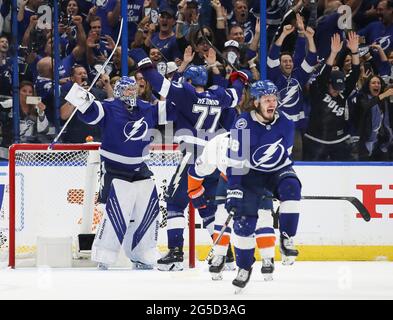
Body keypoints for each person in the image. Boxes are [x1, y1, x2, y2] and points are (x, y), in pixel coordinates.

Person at [130, 47, 247, 271]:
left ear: (190, 81)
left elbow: (156, 81)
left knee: (175, 202)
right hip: (215, 158)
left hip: (194, 154)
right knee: (209, 209)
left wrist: (141, 59)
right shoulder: (219, 95)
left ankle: (175, 254)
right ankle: (227, 257)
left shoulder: (186, 93)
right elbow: (236, 93)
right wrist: (238, 77)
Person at [64, 76, 171, 270]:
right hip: (114, 168)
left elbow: (172, 110)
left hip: (140, 168)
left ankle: (144, 254)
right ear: (119, 91)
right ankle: (104, 256)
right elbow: (89, 112)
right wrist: (79, 95)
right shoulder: (108, 107)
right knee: (114, 214)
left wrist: (184, 95)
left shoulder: (146, 108)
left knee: (148, 211)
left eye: (133, 89)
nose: (131, 92)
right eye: (127, 90)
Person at [224, 80, 301, 293]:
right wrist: (234, 190)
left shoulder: (285, 122)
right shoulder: (242, 124)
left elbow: (285, 157)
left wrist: (279, 190)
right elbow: (235, 162)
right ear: (256, 102)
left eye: (274, 98)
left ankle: (287, 238)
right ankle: (244, 268)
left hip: (277, 170)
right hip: (249, 174)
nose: (272, 103)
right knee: (244, 222)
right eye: (266, 99)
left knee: (292, 188)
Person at [187, 132, 276, 282]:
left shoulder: (266, 137)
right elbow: (199, 168)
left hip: (258, 179)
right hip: (228, 179)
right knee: (222, 215)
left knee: (263, 216)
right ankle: (220, 256)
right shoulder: (219, 141)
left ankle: (268, 259)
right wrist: (194, 189)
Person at [303, 32, 361, 161]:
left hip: (338, 141)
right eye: (335, 88)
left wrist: (355, 52)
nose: (337, 91)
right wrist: (334, 53)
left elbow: (355, 73)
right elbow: (324, 74)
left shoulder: (343, 92)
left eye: (340, 88)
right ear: (329, 83)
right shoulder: (319, 90)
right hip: (315, 140)